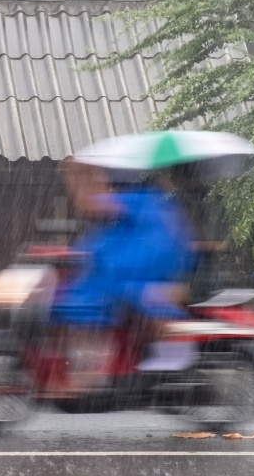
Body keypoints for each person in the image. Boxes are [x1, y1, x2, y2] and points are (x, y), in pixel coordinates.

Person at [50, 159, 198, 390]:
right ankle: (86, 367)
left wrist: (77, 174)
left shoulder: (142, 200)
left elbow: (89, 204)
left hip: (139, 275)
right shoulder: (148, 204)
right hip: (122, 273)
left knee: (89, 300)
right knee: (72, 298)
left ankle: (94, 368)